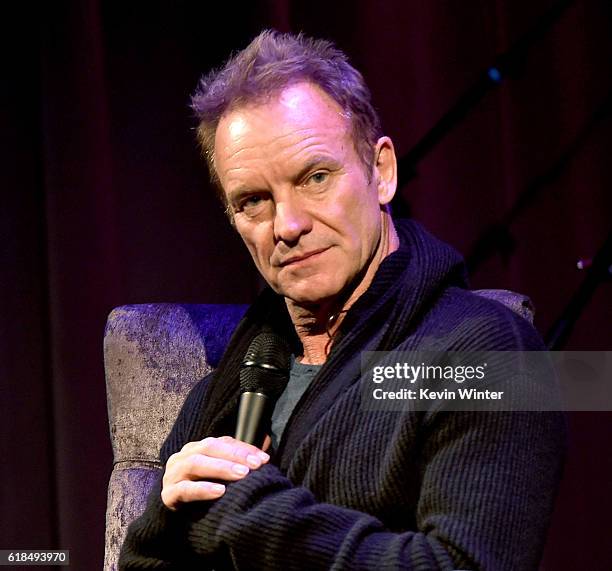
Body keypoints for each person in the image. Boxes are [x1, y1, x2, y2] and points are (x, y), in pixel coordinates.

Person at [119, 30, 565, 570]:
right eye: (253, 202)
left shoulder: (487, 357)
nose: (288, 225)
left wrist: (255, 513)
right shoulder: (229, 387)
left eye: (316, 177)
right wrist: (165, 521)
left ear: (381, 171)